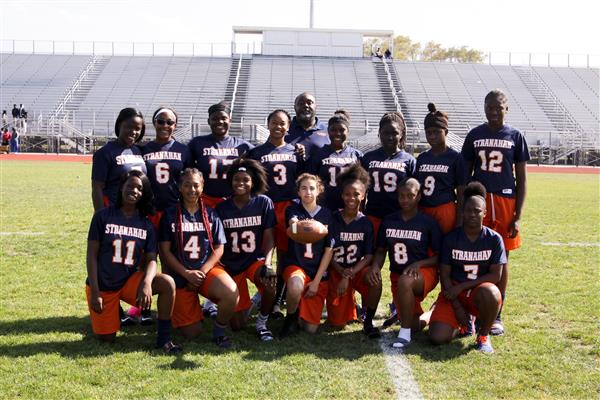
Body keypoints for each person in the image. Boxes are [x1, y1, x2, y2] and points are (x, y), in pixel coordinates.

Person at [85, 170, 181, 354]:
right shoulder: (102, 216)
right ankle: (110, 313)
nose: (134, 191)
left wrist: (146, 282)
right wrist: (96, 291)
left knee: (167, 283)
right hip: (104, 284)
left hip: (130, 281)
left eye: (139, 188)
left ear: (143, 194)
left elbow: (152, 258)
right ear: (121, 187)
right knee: (107, 339)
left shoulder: (146, 224)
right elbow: (91, 255)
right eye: (130, 186)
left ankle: (164, 338)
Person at [461, 89, 529, 336]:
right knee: (472, 254)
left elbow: (521, 178)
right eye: (489, 107)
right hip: (478, 201)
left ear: (506, 109)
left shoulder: (515, 135)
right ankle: (472, 308)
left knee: (501, 259)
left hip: (504, 201)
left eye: (498, 107)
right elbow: (464, 176)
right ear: (484, 108)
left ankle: (497, 313)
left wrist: (518, 215)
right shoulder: (475, 135)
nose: (493, 111)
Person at [158, 168, 239, 348]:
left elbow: (219, 247)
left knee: (231, 293)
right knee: (191, 333)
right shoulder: (170, 214)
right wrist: (186, 274)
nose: (191, 189)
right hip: (180, 274)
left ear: (202, 187)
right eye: (187, 185)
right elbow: (164, 251)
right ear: (180, 187)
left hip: (206, 270)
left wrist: (201, 272)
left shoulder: (210, 213)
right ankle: (187, 310)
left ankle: (219, 332)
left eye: (196, 185)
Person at [428, 182, 505, 354]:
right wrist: (457, 307)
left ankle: (483, 335)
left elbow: (495, 276)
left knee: (492, 293)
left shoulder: (494, 239)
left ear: (484, 213)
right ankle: (462, 325)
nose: (472, 214)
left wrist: (462, 287)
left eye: (477, 211)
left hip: (477, 293)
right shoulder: (451, 239)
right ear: (462, 212)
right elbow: (445, 275)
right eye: (468, 210)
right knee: (437, 338)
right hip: (453, 294)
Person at [247, 109, 305, 316]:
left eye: (282, 123)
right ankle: (265, 294)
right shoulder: (257, 152)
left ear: (288, 127)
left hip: (288, 207)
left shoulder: (296, 151)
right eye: (274, 122)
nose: (278, 126)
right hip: (266, 206)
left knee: (285, 255)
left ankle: (278, 298)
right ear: (268, 124)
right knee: (264, 253)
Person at [372, 178, 441, 348]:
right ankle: (431, 314)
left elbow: (441, 257)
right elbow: (381, 251)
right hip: (398, 275)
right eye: (402, 195)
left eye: (410, 195)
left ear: (418, 197)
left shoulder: (428, 222)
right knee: (414, 324)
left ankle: (404, 334)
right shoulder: (389, 220)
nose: (405, 199)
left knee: (406, 281)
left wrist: (420, 264)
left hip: (424, 273)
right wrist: (375, 266)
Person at [216, 158, 278, 341]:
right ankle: (253, 302)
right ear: (230, 181)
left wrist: (267, 263)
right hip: (230, 264)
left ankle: (262, 322)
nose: (240, 183)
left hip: (253, 260)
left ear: (254, 182)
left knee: (270, 281)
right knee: (237, 325)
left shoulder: (263, 203)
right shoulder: (222, 207)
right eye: (237, 179)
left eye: (245, 180)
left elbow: (269, 238)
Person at [326, 164, 381, 337]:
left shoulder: (365, 222)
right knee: (337, 324)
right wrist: (341, 272)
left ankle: (369, 321)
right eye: (348, 194)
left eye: (356, 194)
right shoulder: (333, 218)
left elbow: (369, 255)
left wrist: (349, 274)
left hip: (356, 270)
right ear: (342, 195)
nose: (352, 198)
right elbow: (328, 251)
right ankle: (350, 302)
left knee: (375, 279)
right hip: (337, 269)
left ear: (363, 195)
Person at [279, 173, 334, 337]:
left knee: (310, 329)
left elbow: (329, 250)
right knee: (295, 284)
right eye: (303, 188)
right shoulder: (293, 210)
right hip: (297, 265)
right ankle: (290, 320)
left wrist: (316, 281)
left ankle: (299, 308)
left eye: (312, 188)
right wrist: (296, 225)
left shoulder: (327, 214)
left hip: (316, 270)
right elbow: (293, 222)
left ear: (319, 191)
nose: (308, 192)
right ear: (298, 192)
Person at [188, 102, 254, 209]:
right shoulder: (197, 143)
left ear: (230, 120)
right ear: (208, 121)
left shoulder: (242, 145)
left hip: (233, 200)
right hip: (205, 199)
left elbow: (260, 158)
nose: (220, 121)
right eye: (215, 118)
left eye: (224, 118)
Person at [361, 111, 416, 239]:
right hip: (374, 214)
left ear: (401, 134)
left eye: (395, 133)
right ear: (379, 133)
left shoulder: (409, 160)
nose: (390, 137)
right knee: (372, 255)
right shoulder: (369, 158)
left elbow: (415, 193)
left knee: (399, 256)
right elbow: (361, 189)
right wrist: (361, 212)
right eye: (386, 133)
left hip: (399, 216)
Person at [416, 103, 466, 234]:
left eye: (437, 132)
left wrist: (460, 221)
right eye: (429, 133)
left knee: (444, 248)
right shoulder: (422, 158)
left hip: (445, 209)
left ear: (446, 132)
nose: (432, 136)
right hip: (423, 209)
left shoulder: (455, 157)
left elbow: (461, 192)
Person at [141, 106, 191, 228]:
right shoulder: (143, 149)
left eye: (170, 122)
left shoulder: (184, 150)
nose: (165, 125)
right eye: (161, 121)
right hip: (150, 209)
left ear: (175, 125)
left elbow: (190, 179)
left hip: (175, 208)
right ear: (154, 123)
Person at [91, 107, 147, 213]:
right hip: (113, 210)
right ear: (119, 125)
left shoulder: (139, 150)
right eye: (129, 127)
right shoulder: (104, 153)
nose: (133, 132)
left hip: (136, 212)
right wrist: (100, 215)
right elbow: (97, 188)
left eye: (137, 128)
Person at [308, 110, 363, 211]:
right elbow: (311, 183)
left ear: (348, 131)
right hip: (325, 208)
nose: (337, 133)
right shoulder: (318, 154)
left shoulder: (357, 155)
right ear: (328, 131)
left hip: (349, 209)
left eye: (342, 130)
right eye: (333, 130)